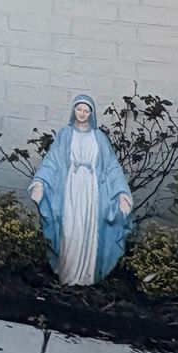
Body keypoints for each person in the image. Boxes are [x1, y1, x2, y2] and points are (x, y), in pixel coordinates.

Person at [29, 94, 133, 284]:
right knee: (70, 229)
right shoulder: (65, 134)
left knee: (89, 229)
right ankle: (68, 273)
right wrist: (40, 182)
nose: (82, 114)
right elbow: (52, 161)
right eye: (79, 109)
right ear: (73, 110)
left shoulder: (99, 137)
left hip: (92, 191)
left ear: (91, 113)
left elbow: (111, 167)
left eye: (86, 111)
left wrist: (121, 193)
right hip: (70, 189)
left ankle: (87, 275)